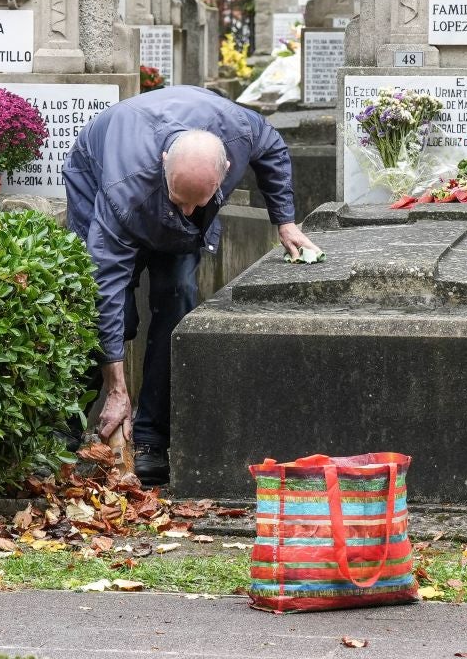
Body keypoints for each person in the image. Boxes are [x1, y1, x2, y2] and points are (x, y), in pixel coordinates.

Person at [64, 85, 320, 485]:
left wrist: (284, 220)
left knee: (178, 295)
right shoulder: (122, 190)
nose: (186, 211)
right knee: (111, 317)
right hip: (97, 180)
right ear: (165, 164)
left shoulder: (241, 131)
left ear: (225, 170)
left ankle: (150, 439)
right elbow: (105, 284)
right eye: (180, 199)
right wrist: (118, 383)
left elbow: (273, 150)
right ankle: (65, 429)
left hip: (172, 181)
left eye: (197, 203)